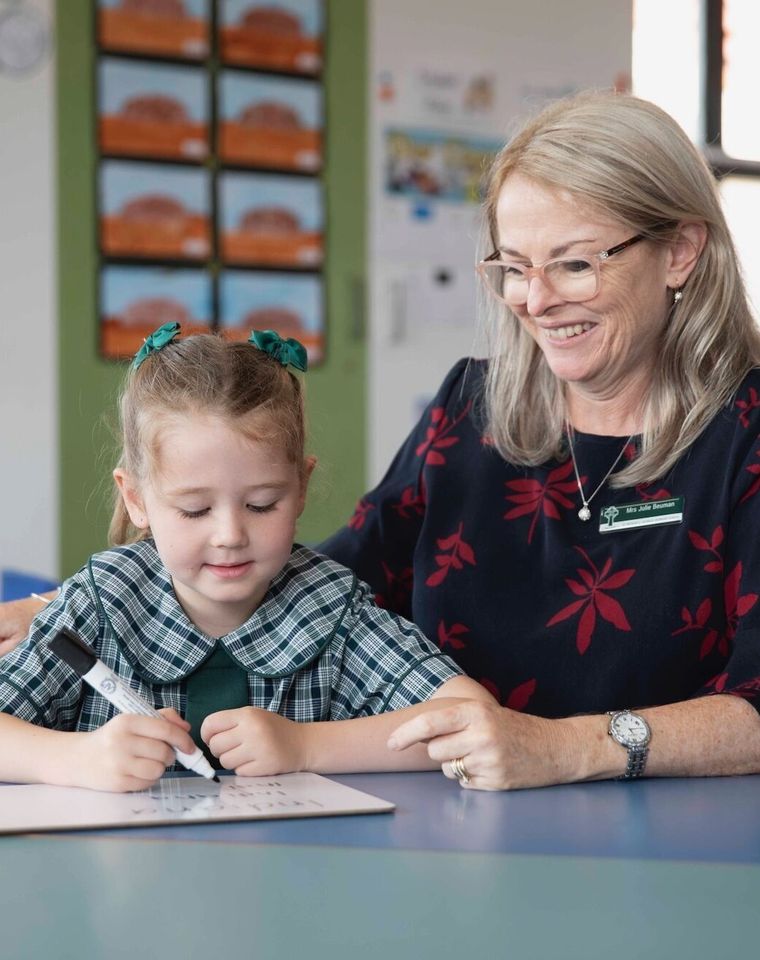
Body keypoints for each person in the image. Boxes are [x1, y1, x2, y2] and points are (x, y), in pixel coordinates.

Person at [5, 92, 760, 792]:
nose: (534, 299)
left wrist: (569, 748)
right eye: (513, 267)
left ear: (680, 251)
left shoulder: (745, 435)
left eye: (573, 263)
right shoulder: (471, 407)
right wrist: (72, 606)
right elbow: (313, 576)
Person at [0, 324, 490, 792]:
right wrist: (76, 758)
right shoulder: (99, 602)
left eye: (261, 505)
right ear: (137, 500)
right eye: (194, 510)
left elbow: (470, 719)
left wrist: (305, 745)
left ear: (300, 488)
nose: (231, 535)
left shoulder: (332, 608)